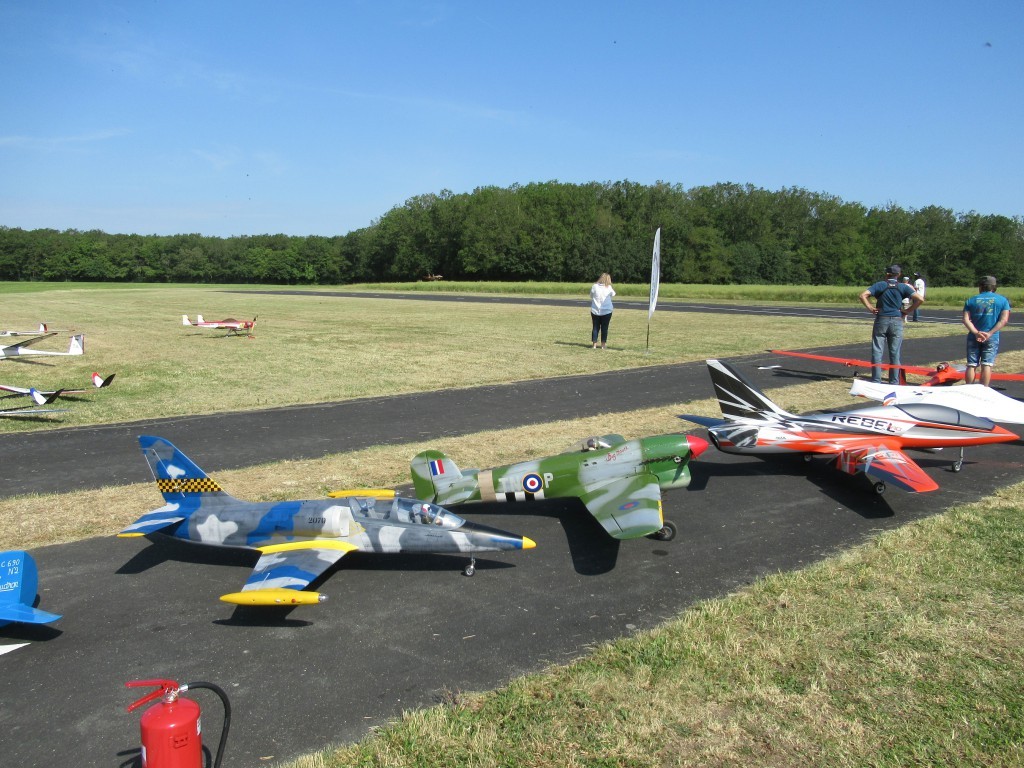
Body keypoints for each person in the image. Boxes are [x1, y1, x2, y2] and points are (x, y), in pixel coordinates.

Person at [859, 265, 923, 384]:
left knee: (877, 350)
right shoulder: (903, 286)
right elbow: (920, 299)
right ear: (898, 275)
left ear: (887, 274)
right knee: (895, 352)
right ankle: (894, 381)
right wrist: (908, 311)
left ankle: (876, 379)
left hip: (882, 318)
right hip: (896, 320)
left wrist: (871, 308)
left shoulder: (880, 285)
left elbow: (863, 295)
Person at [962, 276, 1011, 386]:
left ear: (981, 286)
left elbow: (965, 319)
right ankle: (984, 390)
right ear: (994, 287)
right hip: (991, 336)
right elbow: (1004, 320)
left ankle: (968, 388)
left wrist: (975, 332)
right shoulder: (1002, 300)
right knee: (987, 364)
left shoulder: (971, 300)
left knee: (971, 364)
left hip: (974, 336)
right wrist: (990, 333)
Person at [590, 273, 615, 349]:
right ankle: (603, 345)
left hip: (595, 310)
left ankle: (594, 344)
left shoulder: (594, 286)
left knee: (595, 327)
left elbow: (591, 295)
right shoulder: (609, 287)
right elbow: (613, 294)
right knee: (605, 328)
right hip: (607, 311)